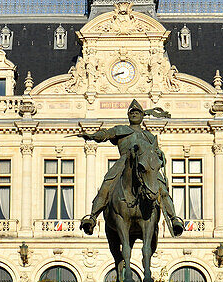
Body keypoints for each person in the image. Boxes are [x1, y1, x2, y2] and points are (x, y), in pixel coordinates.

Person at [78, 99, 185, 236]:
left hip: (145, 167)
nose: (134, 114)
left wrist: (160, 155)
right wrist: (93, 136)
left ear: (142, 116)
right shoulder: (121, 130)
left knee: (162, 190)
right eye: (132, 112)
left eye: (137, 112)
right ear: (128, 115)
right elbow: (105, 134)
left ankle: (173, 219)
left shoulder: (149, 136)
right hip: (123, 164)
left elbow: (156, 154)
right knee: (106, 186)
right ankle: (92, 218)